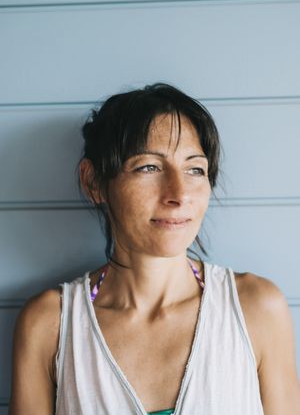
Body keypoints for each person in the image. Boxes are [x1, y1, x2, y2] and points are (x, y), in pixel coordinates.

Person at [9, 83, 300, 415]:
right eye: (149, 167)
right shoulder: (50, 324)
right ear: (94, 182)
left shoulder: (257, 309)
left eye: (195, 169)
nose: (178, 194)